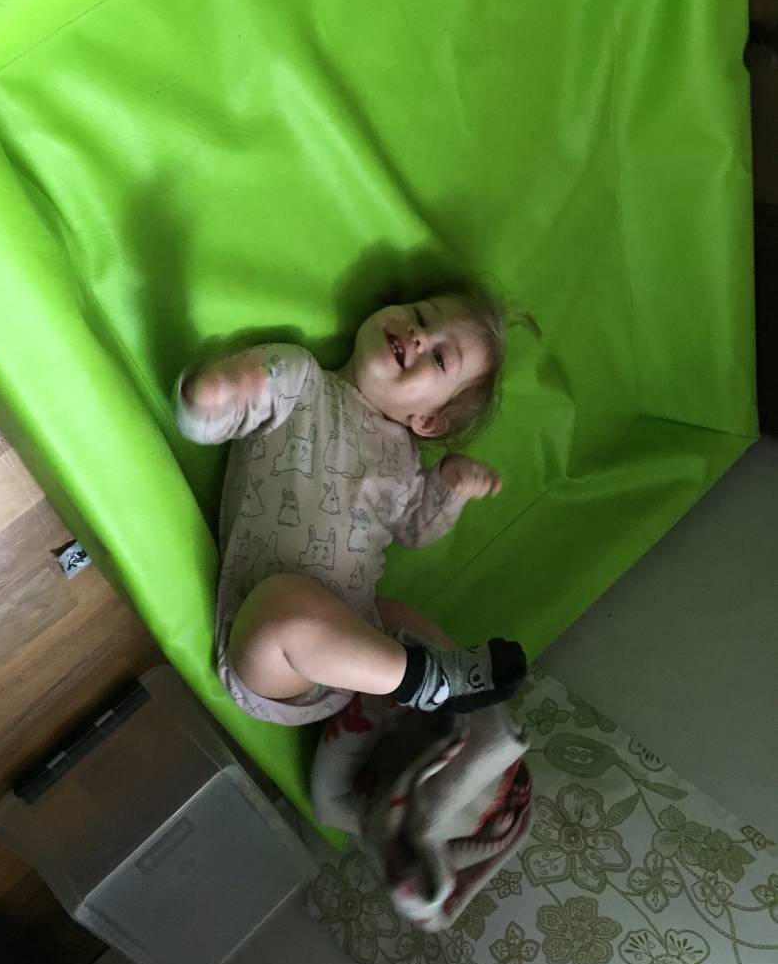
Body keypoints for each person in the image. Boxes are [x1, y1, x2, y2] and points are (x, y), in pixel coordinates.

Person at [174, 286, 528, 725]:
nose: (419, 335)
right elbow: (223, 411)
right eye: (421, 314)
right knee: (284, 604)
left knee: (391, 613)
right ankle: (430, 684)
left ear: (427, 419)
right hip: (272, 648)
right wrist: (215, 392)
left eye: (440, 359)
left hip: (353, 638)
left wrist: (448, 487)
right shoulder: (300, 378)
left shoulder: (405, 462)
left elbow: (414, 530)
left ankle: (469, 713)